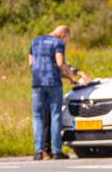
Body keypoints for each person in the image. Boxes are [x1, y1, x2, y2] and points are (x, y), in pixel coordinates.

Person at [29, 25, 80, 160]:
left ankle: (38, 152)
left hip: (37, 82)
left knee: (38, 117)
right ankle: (57, 151)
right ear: (63, 35)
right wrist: (70, 77)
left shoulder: (35, 41)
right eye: (67, 39)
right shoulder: (58, 43)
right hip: (53, 83)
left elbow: (31, 63)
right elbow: (60, 63)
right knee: (55, 116)